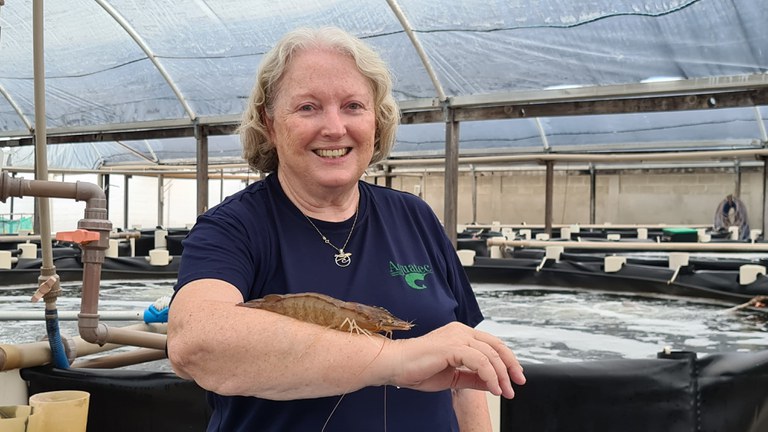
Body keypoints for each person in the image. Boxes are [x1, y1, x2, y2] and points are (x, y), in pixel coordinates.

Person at [167, 26, 526, 432]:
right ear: (270, 123)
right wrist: (397, 360)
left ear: (376, 121)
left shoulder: (416, 216)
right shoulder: (232, 227)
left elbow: (463, 373)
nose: (335, 128)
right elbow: (196, 342)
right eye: (308, 107)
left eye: (353, 106)